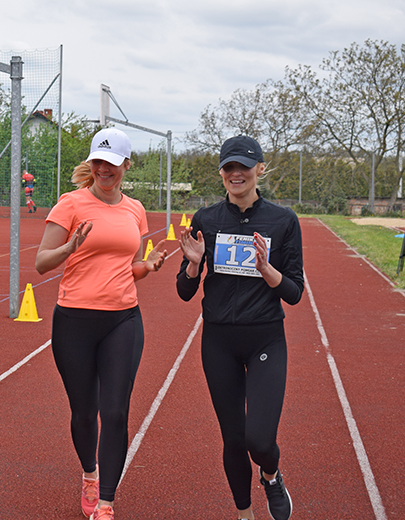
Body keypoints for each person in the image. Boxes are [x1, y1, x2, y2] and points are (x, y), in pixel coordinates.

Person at [35, 127, 166, 520]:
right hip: (74, 320)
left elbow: (127, 268)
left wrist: (148, 266)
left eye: (112, 163)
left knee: (115, 412)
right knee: (83, 411)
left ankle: (106, 503)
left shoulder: (135, 210)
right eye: (98, 162)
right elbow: (42, 262)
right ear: (90, 164)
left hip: (122, 320)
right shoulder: (70, 204)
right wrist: (69, 247)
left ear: (126, 165)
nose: (104, 169)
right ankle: (89, 475)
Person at [176, 135, 303, 520]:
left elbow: (295, 293)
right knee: (232, 439)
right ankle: (244, 513)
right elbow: (184, 292)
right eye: (229, 167)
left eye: (244, 167)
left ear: (259, 170)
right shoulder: (207, 220)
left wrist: (268, 272)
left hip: (265, 337)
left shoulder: (283, 222)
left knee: (259, 439)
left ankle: (271, 475)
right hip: (219, 341)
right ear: (221, 172)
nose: (236, 174)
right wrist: (194, 265)